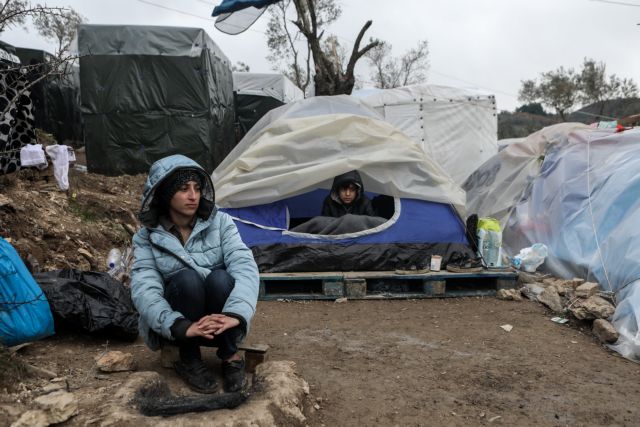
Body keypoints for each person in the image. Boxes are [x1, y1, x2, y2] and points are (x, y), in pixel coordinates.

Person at [130, 154, 259, 394]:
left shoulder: (221, 223)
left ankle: (230, 356)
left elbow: (244, 266)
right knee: (186, 279)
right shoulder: (146, 237)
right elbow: (144, 288)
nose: (193, 196)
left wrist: (236, 314)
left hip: (220, 319)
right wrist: (178, 325)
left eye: (197, 188)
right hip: (179, 324)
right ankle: (188, 358)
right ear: (166, 195)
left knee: (220, 279)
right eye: (183, 189)